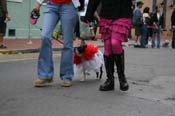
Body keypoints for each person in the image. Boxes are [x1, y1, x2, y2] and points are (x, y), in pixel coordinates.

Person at [85, 0, 132, 91]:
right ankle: (110, 80)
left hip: (122, 12)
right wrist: (89, 14)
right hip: (107, 14)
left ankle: (122, 78)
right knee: (108, 47)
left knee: (115, 42)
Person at [33, 0, 80, 87]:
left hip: (69, 6)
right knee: (45, 36)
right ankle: (45, 75)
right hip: (51, 5)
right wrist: (38, 4)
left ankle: (66, 76)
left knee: (67, 42)